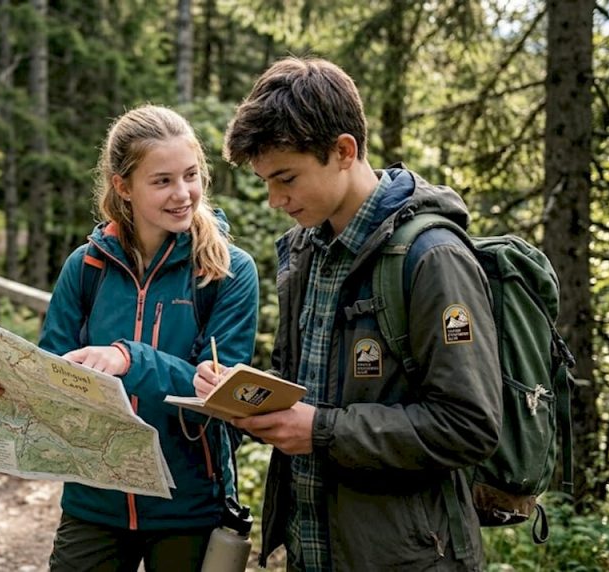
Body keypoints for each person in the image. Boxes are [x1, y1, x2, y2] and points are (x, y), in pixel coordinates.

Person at [193, 56, 502, 570]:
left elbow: (469, 424)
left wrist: (320, 430)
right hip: (313, 550)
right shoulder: (306, 252)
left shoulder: (433, 258)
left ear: (343, 151)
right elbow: (311, 394)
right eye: (266, 181)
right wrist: (242, 394)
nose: (274, 199)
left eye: (286, 178)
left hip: (407, 558)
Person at [0, 104, 260, 571]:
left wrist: (130, 358)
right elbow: (52, 379)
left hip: (189, 506)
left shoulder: (228, 270)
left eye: (191, 175)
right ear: (123, 186)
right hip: (93, 503)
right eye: (162, 181)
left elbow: (226, 397)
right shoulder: (86, 267)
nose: (183, 194)